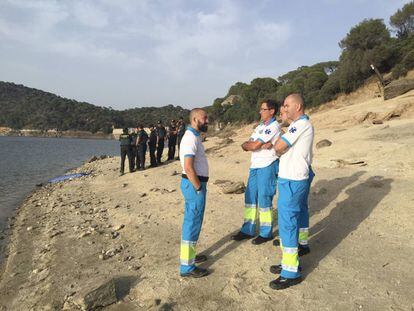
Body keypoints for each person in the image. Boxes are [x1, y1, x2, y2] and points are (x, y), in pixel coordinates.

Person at [269, 93, 314, 290]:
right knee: (297, 216)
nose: (284, 109)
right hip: (296, 178)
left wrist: (278, 147)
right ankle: (296, 253)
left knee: (287, 223)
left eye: (287, 106)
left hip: (292, 180)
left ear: (298, 106)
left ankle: (290, 271)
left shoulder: (299, 125)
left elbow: (278, 147)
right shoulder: (300, 125)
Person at [231, 100, 281, 245]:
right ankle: (248, 229)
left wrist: (253, 145)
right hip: (255, 166)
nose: (260, 112)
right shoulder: (260, 127)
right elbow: (249, 144)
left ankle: (266, 233)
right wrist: (250, 145)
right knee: (250, 197)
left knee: (265, 198)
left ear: (271, 111)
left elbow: (254, 145)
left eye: (263, 109)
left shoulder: (273, 126)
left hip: (268, 165)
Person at [179, 108, 210, 278]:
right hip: (193, 185)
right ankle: (187, 267)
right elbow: (189, 167)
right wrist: (198, 188)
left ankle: (189, 257)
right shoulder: (190, 138)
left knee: (193, 222)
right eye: (204, 118)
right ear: (195, 119)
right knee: (192, 223)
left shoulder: (195, 136)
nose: (207, 121)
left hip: (194, 184)